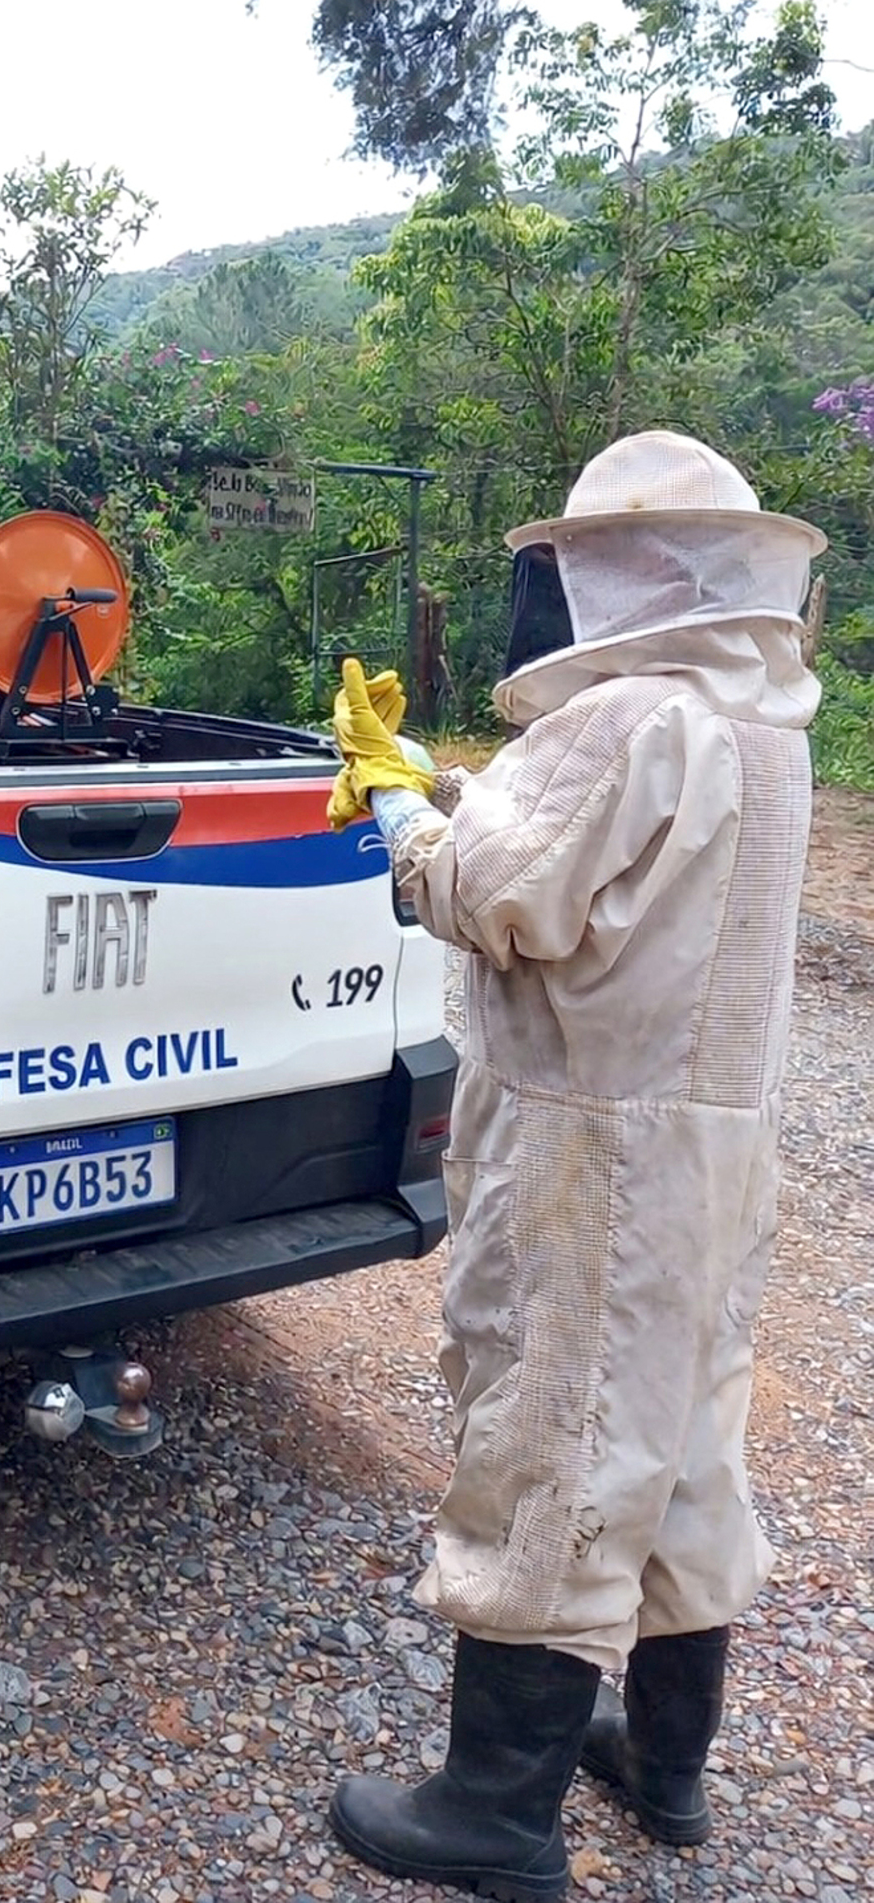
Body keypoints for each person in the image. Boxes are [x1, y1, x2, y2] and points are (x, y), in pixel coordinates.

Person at [321, 431, 825, 1902]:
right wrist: (447, 777)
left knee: (550, 1437)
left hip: (591, 1148)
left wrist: (394, 808)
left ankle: (495, 1812)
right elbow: (593, 872)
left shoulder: (623, 724)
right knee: (679, 1447)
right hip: (711, 1157)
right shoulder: (759, 727)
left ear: (617, 575)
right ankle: (664, 1770)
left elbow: (492, 898)